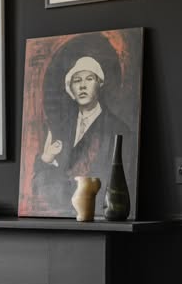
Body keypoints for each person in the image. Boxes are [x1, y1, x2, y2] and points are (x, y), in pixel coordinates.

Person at [34, 55, 131, 211]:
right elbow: (42, 183)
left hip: (100, 211)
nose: (82, 86)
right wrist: (47, 160)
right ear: (70, 88)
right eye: (77, 81)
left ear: (99, 84)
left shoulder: (118, 129)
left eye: (89, 79)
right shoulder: (61, 129)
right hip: (61, 212)